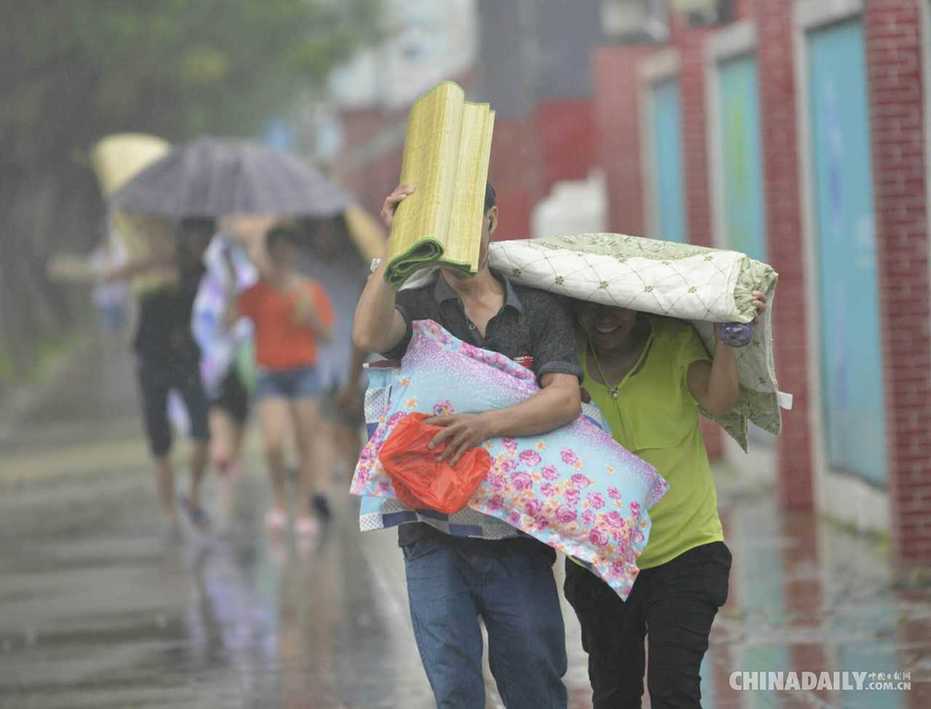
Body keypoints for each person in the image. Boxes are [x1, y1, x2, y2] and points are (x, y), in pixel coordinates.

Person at [352, 183, 582, 709]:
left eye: (464, 221)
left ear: (492, 220)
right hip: (432, 535)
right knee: (456, 689)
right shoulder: (414, 304)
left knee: (536, 687)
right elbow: (367, 334)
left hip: (517, 537)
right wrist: (395, 242)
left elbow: (564, 399)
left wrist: (485, 424)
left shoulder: (538, 308)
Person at [564, 297, 766, 709]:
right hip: (601, 562)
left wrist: (727, 341)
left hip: (685, 552)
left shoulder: (673, 344)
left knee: (675, 690)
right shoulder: (565, 359)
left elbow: (718, 400)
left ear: (637, 307)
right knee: (614, 694)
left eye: (616, 307)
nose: (605, 317)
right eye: (591, 309)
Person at [227, 223, 334, 536]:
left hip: (303, 372)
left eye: (288, 247)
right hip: (270, 375)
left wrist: (310, 317)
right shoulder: (256, 292)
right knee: (273, 442)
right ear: (270, 252)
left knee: (305, 442)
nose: (283, 254)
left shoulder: (309, 290)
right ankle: (278, 502)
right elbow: (228, 320)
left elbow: (326, 334)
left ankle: (303, 507)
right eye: (277, 248)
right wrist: (234, 288)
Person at [192, 231, 258, 479]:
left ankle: (230, 458)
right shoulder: (211, 281)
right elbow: (216, 321)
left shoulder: (245, 270)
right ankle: (224, 455)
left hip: (241, 357)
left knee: (238, 409)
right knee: (220, 407)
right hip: (217, 360)